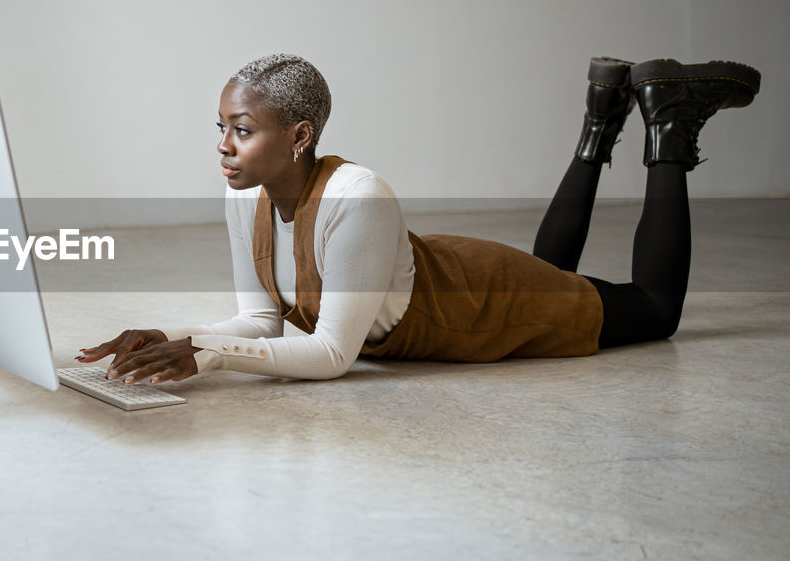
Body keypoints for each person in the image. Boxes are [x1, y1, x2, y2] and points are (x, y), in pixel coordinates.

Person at [76, 53, 762, 386]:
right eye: (221, 126)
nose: (224, 145)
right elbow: (262, 323)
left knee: (654, 309)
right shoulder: (243, 194)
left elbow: (332, 355)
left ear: (300, 134)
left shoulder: (358, 197)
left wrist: (210, 351)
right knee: (557, 274)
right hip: (448, 269)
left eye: (243, 129)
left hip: (479, 302)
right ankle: (605, 110)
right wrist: (173, 334)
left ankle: (667, 119)